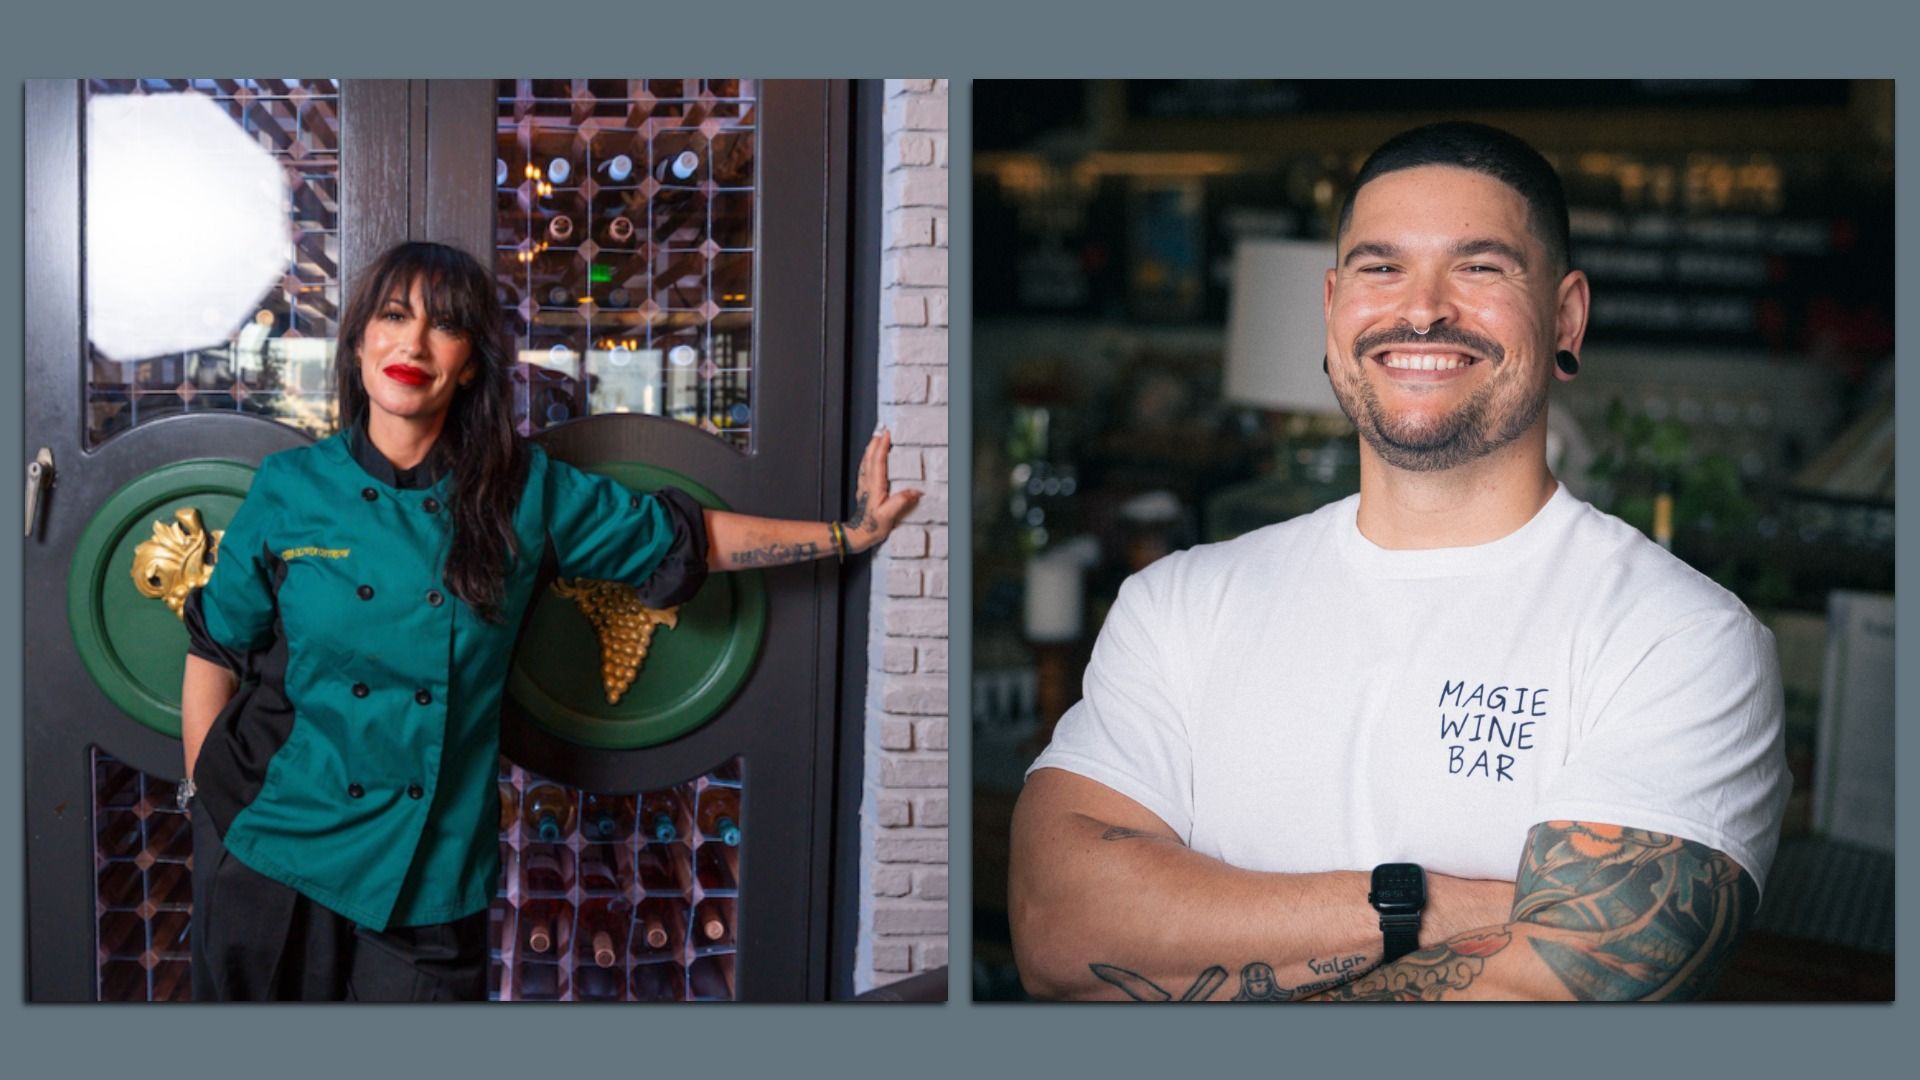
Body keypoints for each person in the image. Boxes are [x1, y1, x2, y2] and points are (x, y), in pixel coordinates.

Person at [1009, 122, 1789, 1002]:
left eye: (1480, 267)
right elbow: (1058, 927)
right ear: (1333, 306)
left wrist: (1189, 945)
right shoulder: (1179, 603)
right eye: (1381, 268)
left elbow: (1569, 990)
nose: (1421, 310)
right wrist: (1428, 908)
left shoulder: (1680, 637)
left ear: (1567, 317)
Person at [180, 240, 919, 1001]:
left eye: (445, 325)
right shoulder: (291, 486)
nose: (413, 344)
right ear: (360, 340)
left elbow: (685, 538)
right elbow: (215, 648)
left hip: (427, 870)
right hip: (274, 843)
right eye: (394, 316)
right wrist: (209, 793)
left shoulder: (521, 493)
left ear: (471, 365)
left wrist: (848, 535)